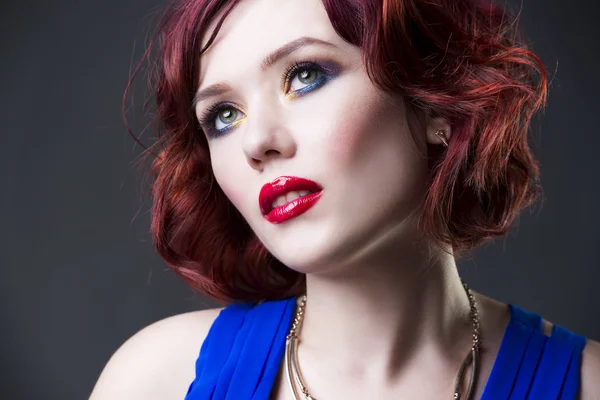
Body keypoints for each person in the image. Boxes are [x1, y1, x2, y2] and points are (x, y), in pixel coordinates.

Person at [91, 0, 600, 398]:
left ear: (436, 102)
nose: (256, 142)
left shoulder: (587, 385)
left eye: (305, 75)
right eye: (224, 115)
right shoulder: (158, 381)